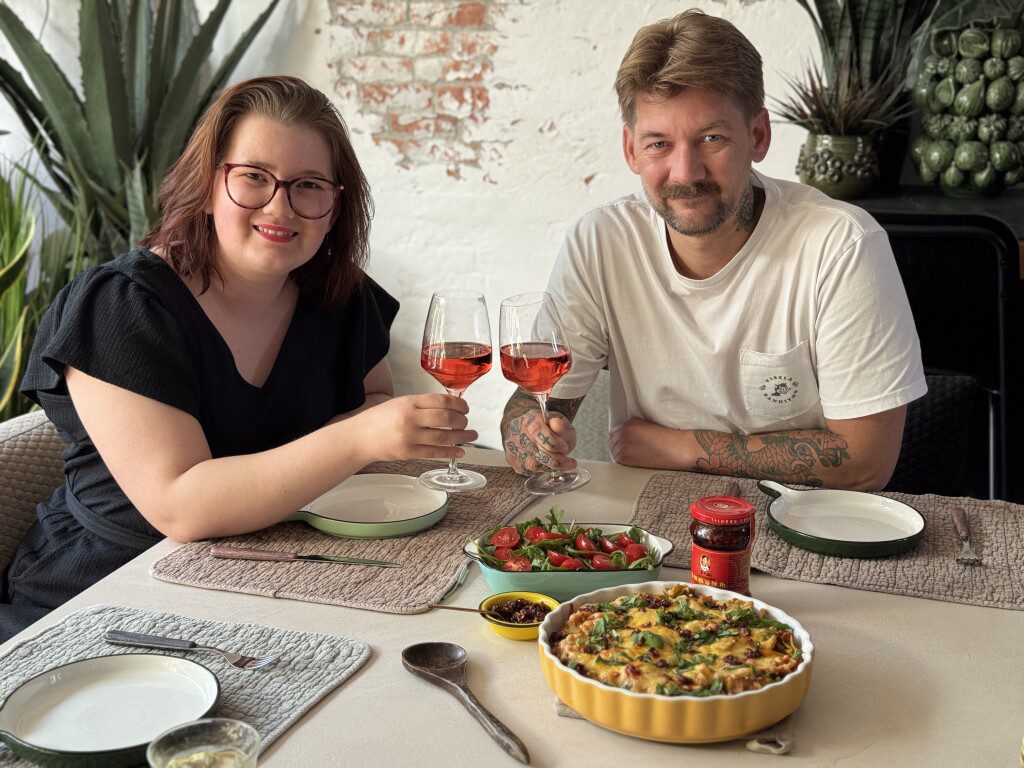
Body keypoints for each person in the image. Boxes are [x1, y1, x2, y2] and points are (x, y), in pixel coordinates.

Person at [2, 76, 474, 641]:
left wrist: (370, 430)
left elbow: (369, 397)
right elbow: (181, 506)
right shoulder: (124, 306)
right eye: (253, 177)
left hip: (276, 568)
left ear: (334, 205)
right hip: (108, 589)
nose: (282, 206)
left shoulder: (340, 295)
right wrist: (360, 439)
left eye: (308, 185)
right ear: (206, 184)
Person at [500, 10, 926, 491]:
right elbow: (527, 408)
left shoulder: (841, 245)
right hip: (653, 520)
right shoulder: (599, 242)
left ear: (758, 136)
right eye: (659, 143)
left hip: (808, 524)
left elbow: (867, 462)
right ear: (631, 150)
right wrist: (531, 436)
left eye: (712, 138)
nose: (686, 172)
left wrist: (676, 447)